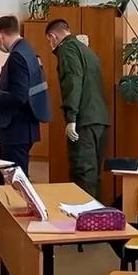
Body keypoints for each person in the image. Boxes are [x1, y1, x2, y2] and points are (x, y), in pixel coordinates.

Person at [45, 19, 110, 198]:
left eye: (49, 41)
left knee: (83, 175)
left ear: (53, 36)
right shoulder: (87, 51)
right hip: (100, 120)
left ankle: (84, 220)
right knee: (93, 176)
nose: (51, 45)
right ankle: (96, 219)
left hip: (84, 121)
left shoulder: (67, 49)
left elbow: (72, 82)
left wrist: (71, 118)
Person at [0, 15, 51, 177]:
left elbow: (20, 96)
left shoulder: (17, 57)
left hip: (16, 130)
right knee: (13, 176)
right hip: (26, 128)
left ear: (0, 35)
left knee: (13, 179)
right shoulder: (27, 49)